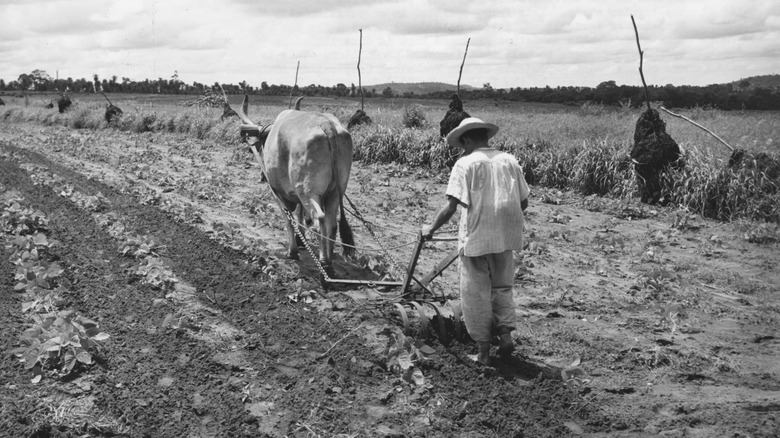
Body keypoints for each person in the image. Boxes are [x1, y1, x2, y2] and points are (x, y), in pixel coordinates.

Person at [422, 117, 530, 365]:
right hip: (506, 237)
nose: (463, 149)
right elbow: (523, 202)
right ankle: (504, 336)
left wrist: (430, 229)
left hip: (476, 240)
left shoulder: (466, 164)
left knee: (475, 292)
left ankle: (482, 352)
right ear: (486, 136)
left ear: (468, 139)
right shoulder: (510, 160)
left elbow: (451, 207)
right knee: (502, 287)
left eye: (463, 144)